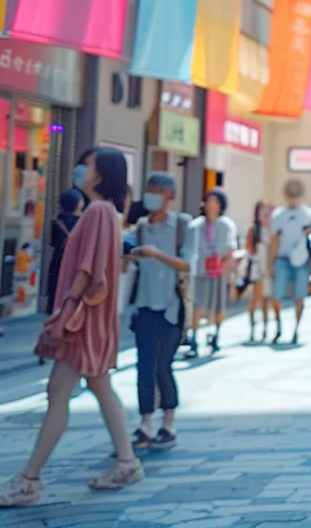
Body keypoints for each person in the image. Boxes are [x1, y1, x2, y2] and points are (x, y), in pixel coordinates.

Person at [0, 148, 143, 507]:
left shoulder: (99, 211)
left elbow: (89, 270)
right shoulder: (105, 212)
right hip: (88, 320)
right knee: (92, 387)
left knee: (61, 390)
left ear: (100, 173)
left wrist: (66, 309)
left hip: (82, 322)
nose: (79, 169)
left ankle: (29, 479)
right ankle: (126, 461)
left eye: (85, 165)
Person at [122, 172, 192, 451]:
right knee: (144, 366)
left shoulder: (183, 226)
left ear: (170, 196)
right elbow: (124, 265)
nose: (151, 197)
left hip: (173, 306)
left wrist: (156, 255)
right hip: (144, 305)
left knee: (164, 365)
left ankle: (169, 423)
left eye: (157, 192)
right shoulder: (139, 228)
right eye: (148, 191)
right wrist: (127, 257)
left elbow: (188, 265)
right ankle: (146, 423)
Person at [188, 189, 239, 356]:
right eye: (208, 201)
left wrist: (228, 271)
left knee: (218, 304)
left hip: (219, 270)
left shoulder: (226, 224)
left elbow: (230, 249)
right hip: (201, 269)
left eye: (215, 202)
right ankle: (193, 336)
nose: (211, 205)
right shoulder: (196, 225)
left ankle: (216, 334)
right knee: (198, 303)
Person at [267, 181, 311, 345]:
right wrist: (270, 262)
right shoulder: (279, 214)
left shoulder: (308, 214)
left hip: (301, 260)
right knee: (277, 294)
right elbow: (274, 239)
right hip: (282, 258)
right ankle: (279, 324)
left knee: (300, 295)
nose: (293, 199)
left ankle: (297, 328)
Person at [45, 188, 84, 316]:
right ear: (78, 203)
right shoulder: (81, 222)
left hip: (58, 259)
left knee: (56, 286)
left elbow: (53, 242)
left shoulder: (57, 222)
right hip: (74, 260)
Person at [242, 201, 269, 342]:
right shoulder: (254, 230)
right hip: (256, 269)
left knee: (266, 300)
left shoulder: (270, 229)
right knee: (255, 299)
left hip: (267, 269)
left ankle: (265, 328)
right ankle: (253, 328)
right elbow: (249, 249)